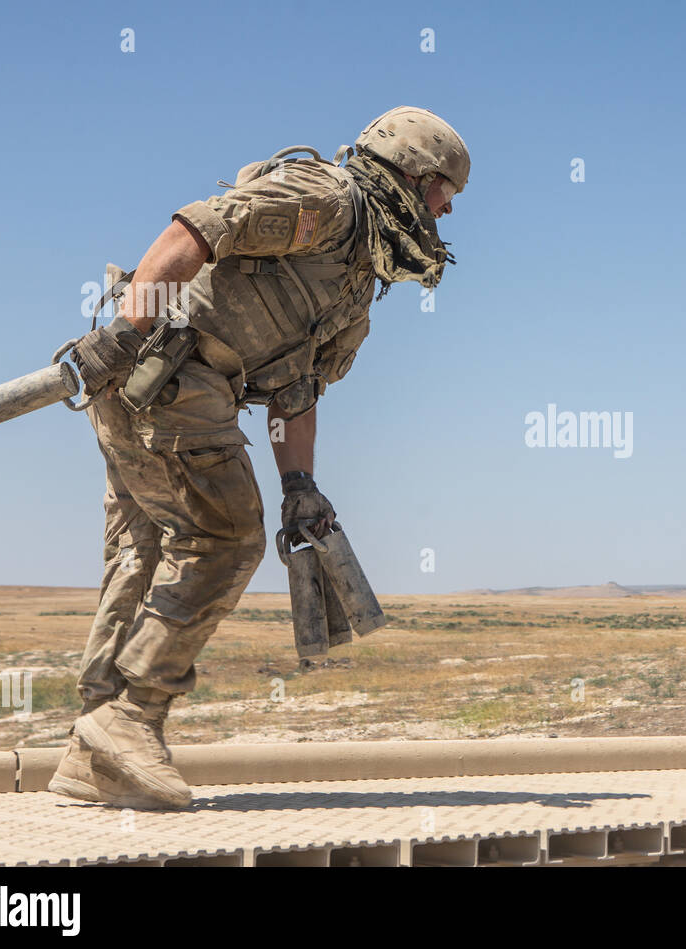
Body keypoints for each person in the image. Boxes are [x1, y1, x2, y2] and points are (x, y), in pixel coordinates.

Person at [46, 107, 469, 809]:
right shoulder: (327, 200)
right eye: (443, 192)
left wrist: (299, 484)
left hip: (172, 381)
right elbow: (197, 228)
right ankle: (128, 718)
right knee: (226, 537)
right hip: (164, 367)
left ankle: (93, 749)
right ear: (412, 174)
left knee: (143, 552)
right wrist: (126, 333)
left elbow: (296, 391)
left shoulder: (357, 283)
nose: (447, 210)